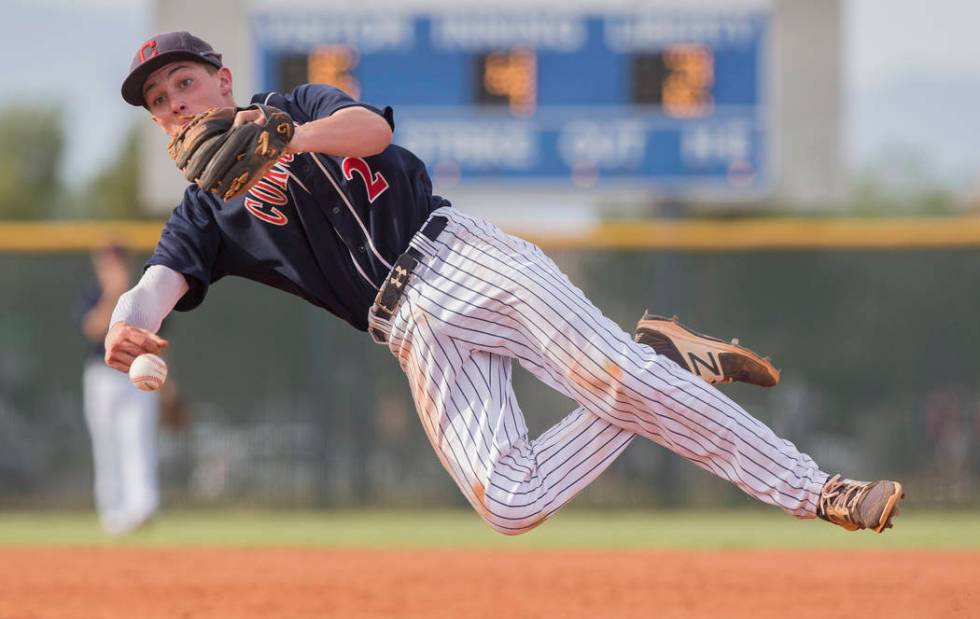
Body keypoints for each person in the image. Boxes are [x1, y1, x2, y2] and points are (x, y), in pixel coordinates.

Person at [106, 31, 904, 535]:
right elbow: (156, 283)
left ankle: (820, 489)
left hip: (458, 259)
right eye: (159, 102)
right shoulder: (203, 213)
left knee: (618, 381)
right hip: (408, 333)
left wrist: (291, 136)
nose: (174, 104)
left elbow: (372, 130)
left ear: (220, 77)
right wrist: (126, 321)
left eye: (182, 83)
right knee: (511, 504)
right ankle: (656, 352)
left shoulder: (297, 103)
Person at [78, 244, 160, 535]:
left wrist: (170, 389)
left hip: (138, 375)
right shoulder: (93, 294)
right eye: (107, 260)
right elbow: (92, 328)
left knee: (139, 439)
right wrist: (114, 292)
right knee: (106, 443)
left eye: (117, 259)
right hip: (101, 377)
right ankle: (112, 512)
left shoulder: (144, 296)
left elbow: (158, 340)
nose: (112, 265)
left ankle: (143, 507)